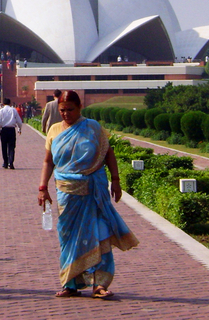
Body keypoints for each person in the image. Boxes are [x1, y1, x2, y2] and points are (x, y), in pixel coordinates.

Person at [37, 90, 138, 299]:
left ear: (80, 107)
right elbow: (48, 161)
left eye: (70, 110)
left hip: (94, 192)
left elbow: (108, 152)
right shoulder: (55, 130)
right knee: (68, 237)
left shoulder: (92, 127)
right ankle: (70, 283)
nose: (65, 114)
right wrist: (42, 187)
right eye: (62, 110)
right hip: (67, 193)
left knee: (100, 233)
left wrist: (116, 181)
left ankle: (99, 284)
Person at [0, 98, 22, 169]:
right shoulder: (14, 110)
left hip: (4, 130)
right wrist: (19, 129)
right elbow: (19, 121)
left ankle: (5, 162)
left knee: (4, 147)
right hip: (11, 130)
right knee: (11, 147)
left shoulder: (1, 111)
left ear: (3, 104)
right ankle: (11, 162)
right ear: (10, 103)